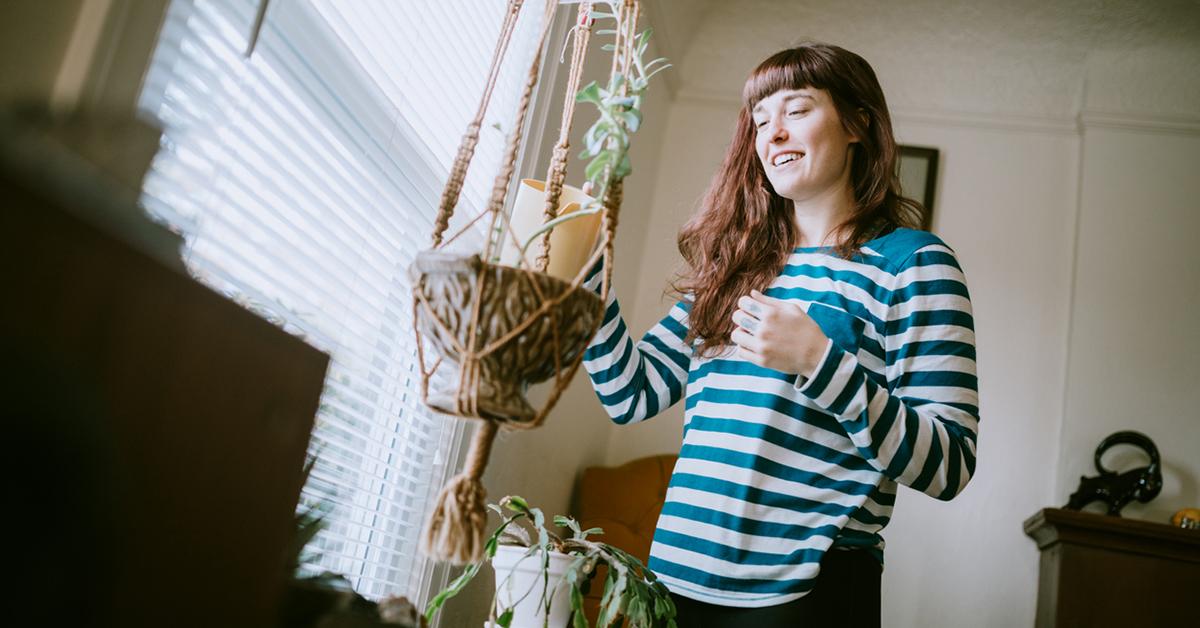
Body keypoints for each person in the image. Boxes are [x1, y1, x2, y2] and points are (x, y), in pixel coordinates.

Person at [581, 43, 979, 628]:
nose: (773, 132)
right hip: (670, 584)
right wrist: (587, 275)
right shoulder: (734, 267)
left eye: (796, 109)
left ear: (856, 124)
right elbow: (629, 393)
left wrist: (819, 360)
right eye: (761, 120)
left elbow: (949, 464)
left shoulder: (914, 263)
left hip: (806, 596)